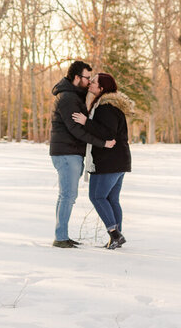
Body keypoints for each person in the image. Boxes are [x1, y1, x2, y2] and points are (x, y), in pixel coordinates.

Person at [49, 60, 114, 248]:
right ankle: (60, 238)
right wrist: (102, 143)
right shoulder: (68, 98)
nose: (88, 82)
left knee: (66, 196)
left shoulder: (74, 95)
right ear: (77, 78)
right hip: (66, 153)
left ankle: (61, 235)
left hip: (71, 152)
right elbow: (76, 130)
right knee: (68, 195)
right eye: (87, 78)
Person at [72, 72, 134, 249]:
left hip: (109, 161)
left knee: (97, 196)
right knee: (112, 199)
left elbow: (108, 134)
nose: (90, 83)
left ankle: (114, 234)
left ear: (102, 88)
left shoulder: (105, 107)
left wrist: (86, 122)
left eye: (94, 82)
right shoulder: (110, 105)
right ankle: (116, 238)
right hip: (119, 161)